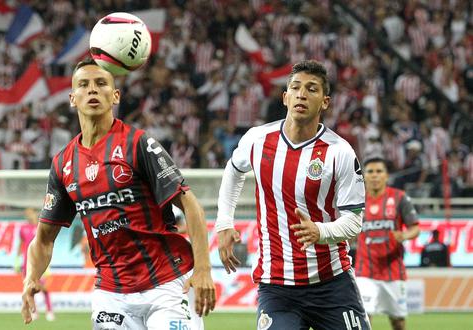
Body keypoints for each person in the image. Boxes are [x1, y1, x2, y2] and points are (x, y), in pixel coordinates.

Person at [21, 59, 216, 329]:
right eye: (83, 85)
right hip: (111, 293)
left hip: (167, 282)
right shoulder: (63, 163)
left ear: (115, 96)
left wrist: (204, 269)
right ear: (72, 98)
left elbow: (191, 206)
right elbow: (43, 239)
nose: (92, 90)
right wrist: (32, 277)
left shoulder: (139, 143)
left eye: (101, 84)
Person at [216, 60, 370, 329]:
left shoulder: (340, 152)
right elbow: (233, 170)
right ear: (285, 97)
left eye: (312, 89)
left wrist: (320, 231)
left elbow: (354, 222)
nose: (302, 94)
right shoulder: (257, 139)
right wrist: (224, 222)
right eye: (296, 88)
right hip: (277, 287)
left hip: (331, 284)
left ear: (325, 101)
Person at [355, 158, 420, 330]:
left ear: (386, 175)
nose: (375, 176)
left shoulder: (399, 198)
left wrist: (404, 235)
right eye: (370, 172)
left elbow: (415, 228)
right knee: (364, 318)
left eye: (379, 171)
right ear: (364, 176)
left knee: (397, 321)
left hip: (393, 271)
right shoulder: (356, 200)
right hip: (365, 270)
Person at [17, 208, 55, 321]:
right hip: (26, 263)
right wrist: (16, 260)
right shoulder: (23, 228)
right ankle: (34, 312)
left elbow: (47, 243)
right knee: (29, 288)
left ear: (34, 213)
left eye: (30, 213)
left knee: (44, 288)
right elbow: (21, 244)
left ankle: (49, 311)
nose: (28, 215)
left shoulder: (40, 227)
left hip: (40, 261)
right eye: (26, 213)